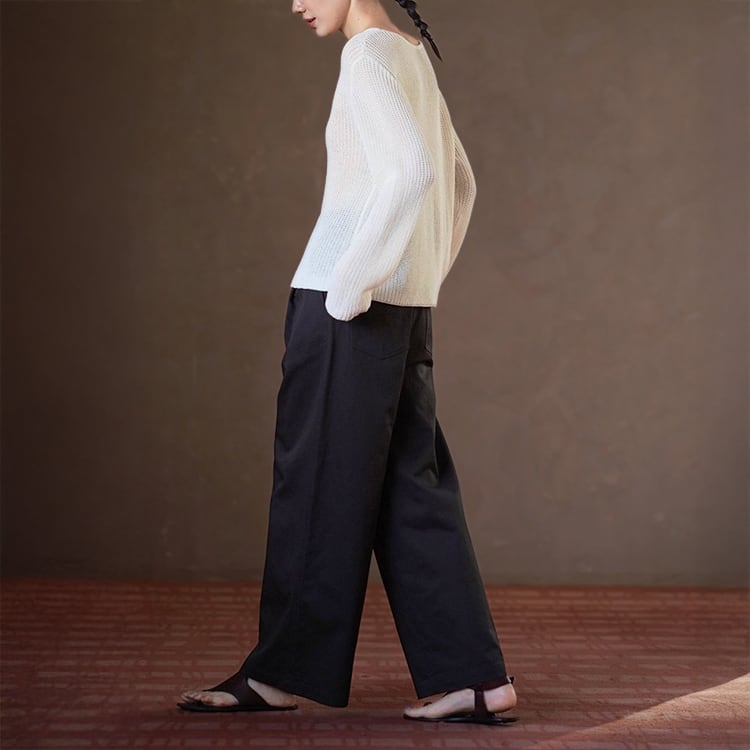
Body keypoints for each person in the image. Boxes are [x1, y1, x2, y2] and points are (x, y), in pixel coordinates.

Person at [177, 0, 517, 725]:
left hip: (348, 308)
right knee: (411, 488)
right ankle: (474, 680)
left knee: (315, 485)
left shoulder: (366, 56)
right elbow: (462, 181)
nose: (296, 3)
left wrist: (351, 285)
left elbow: (417, 173)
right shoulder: (411, 53)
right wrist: (418, 279)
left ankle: (277, 675)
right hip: (400, 308)